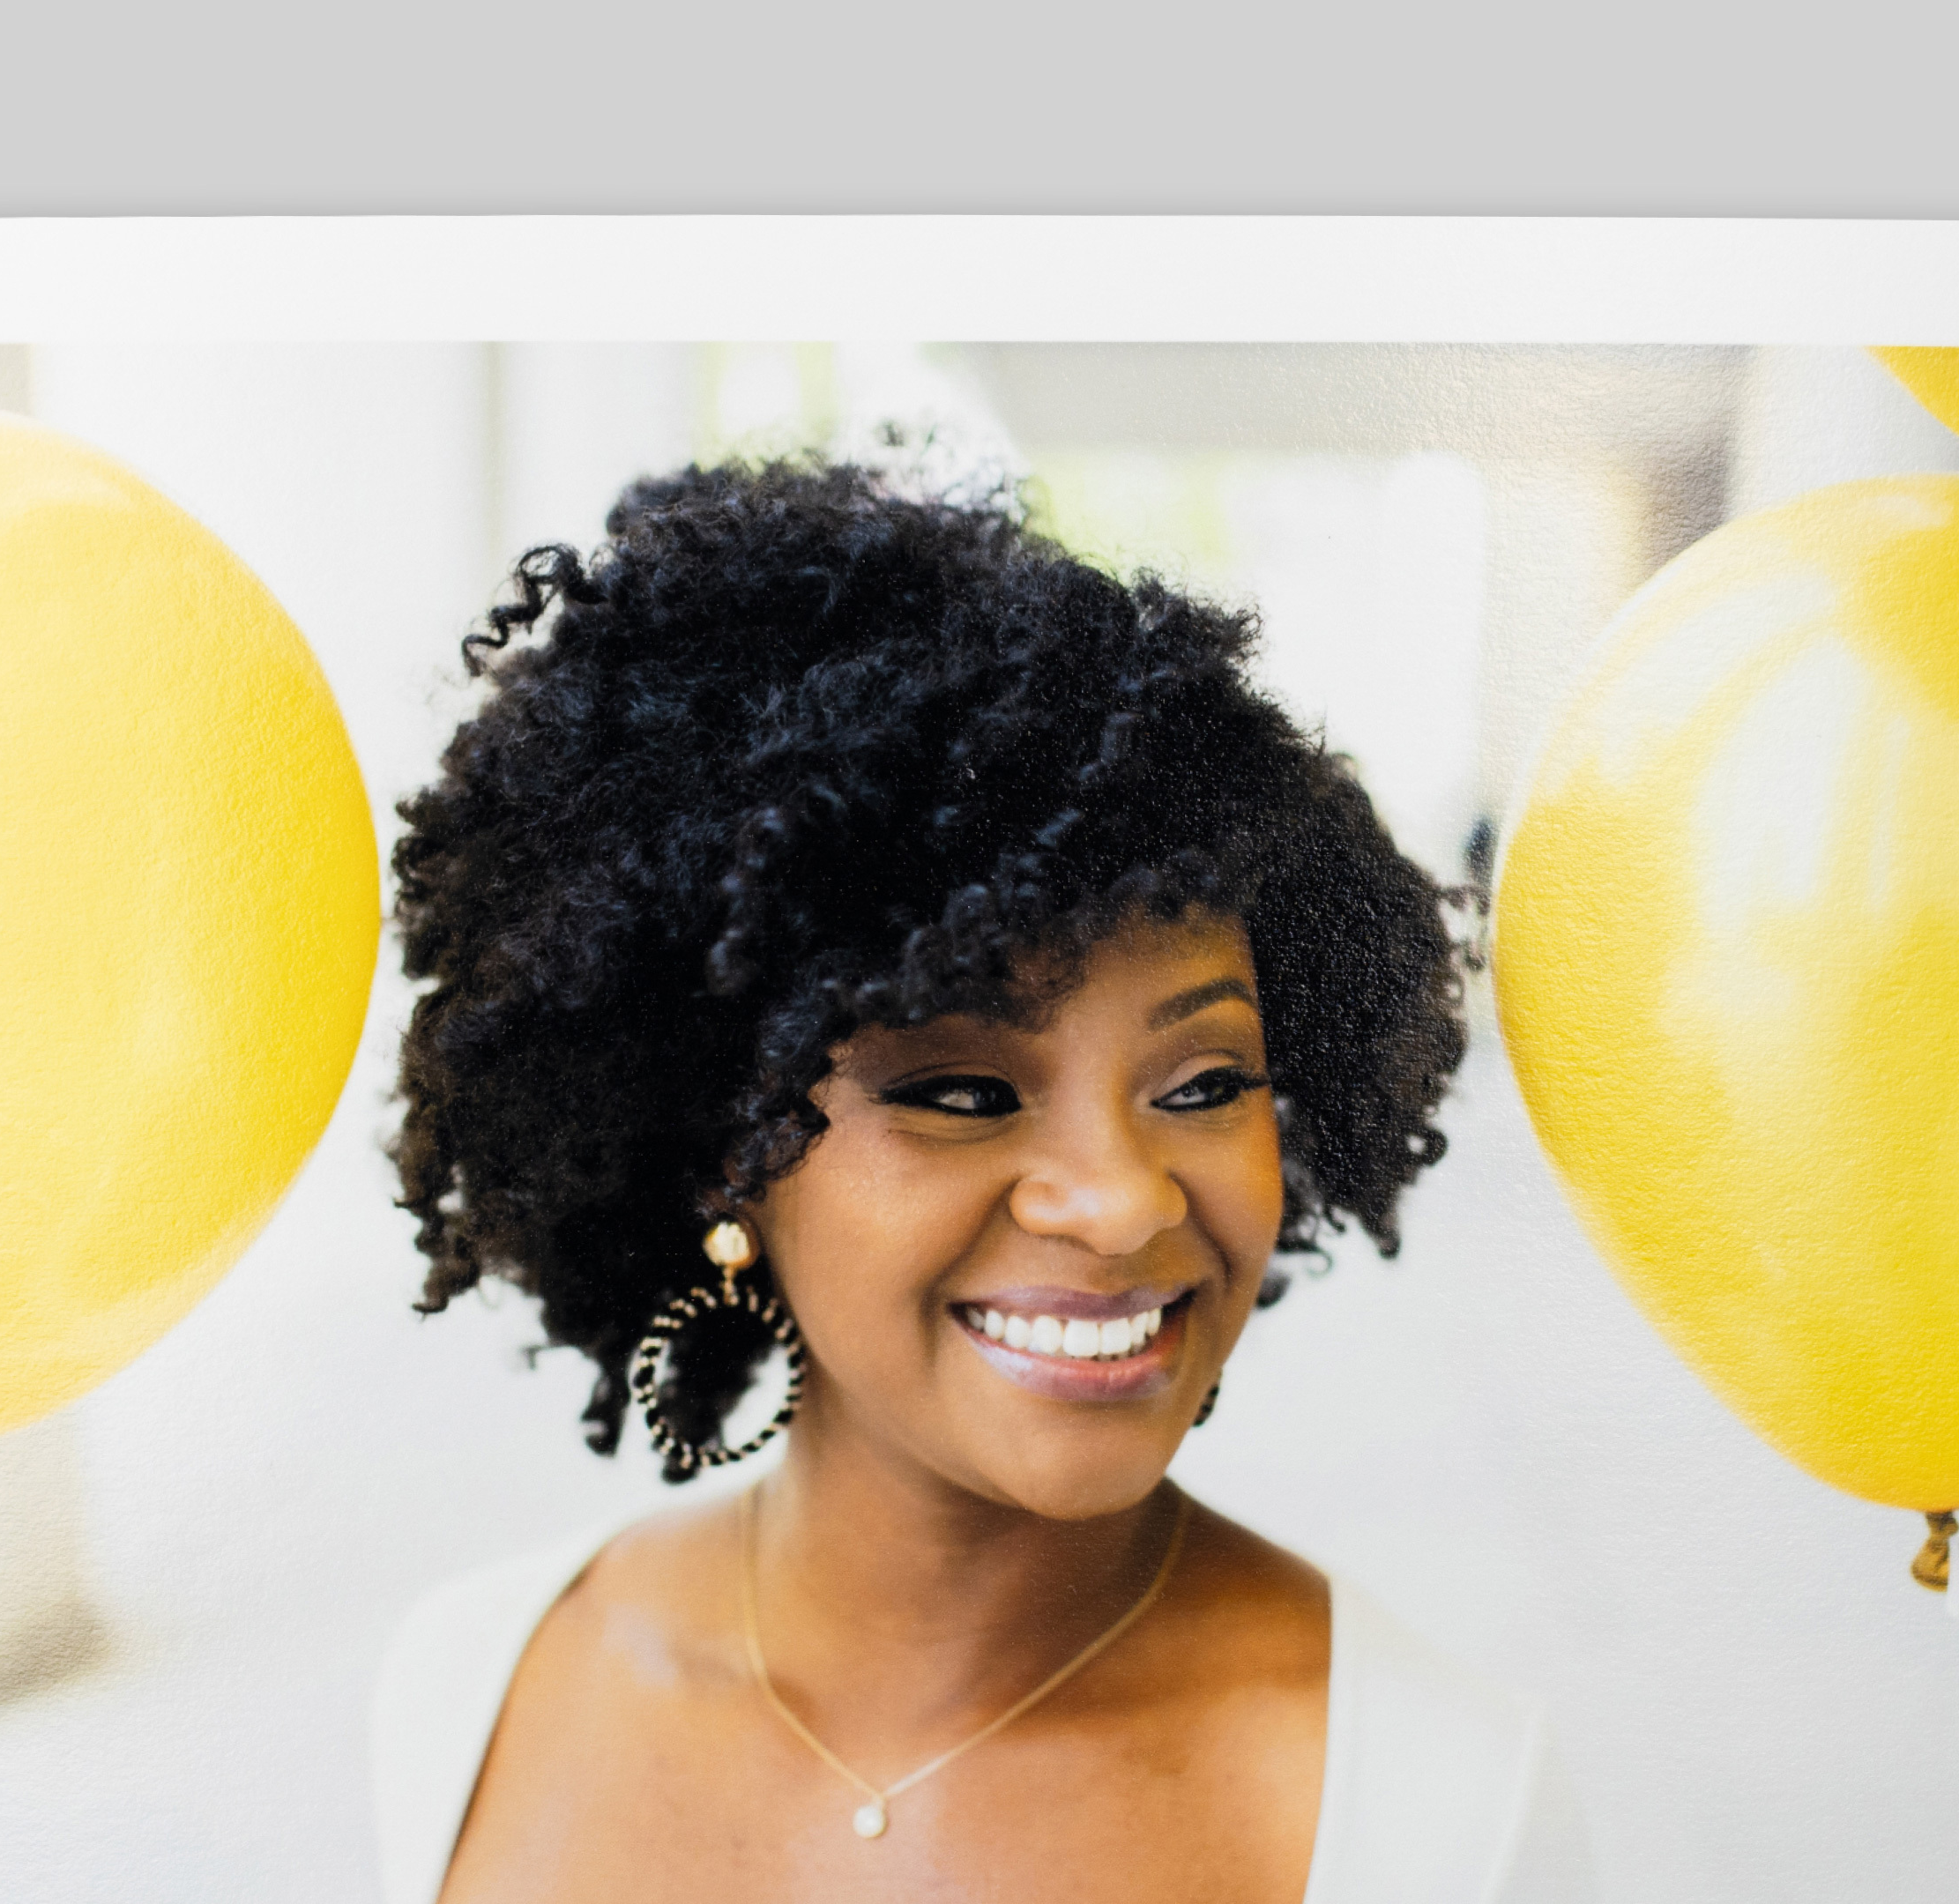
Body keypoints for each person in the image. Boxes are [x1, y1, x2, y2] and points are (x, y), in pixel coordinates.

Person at [372, 459, 1591, 1902]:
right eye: (961, 1092)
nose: (1125, 1199)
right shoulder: (471, 1689)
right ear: (724, 1143)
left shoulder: (1438, 1805)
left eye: (1204, 1085)